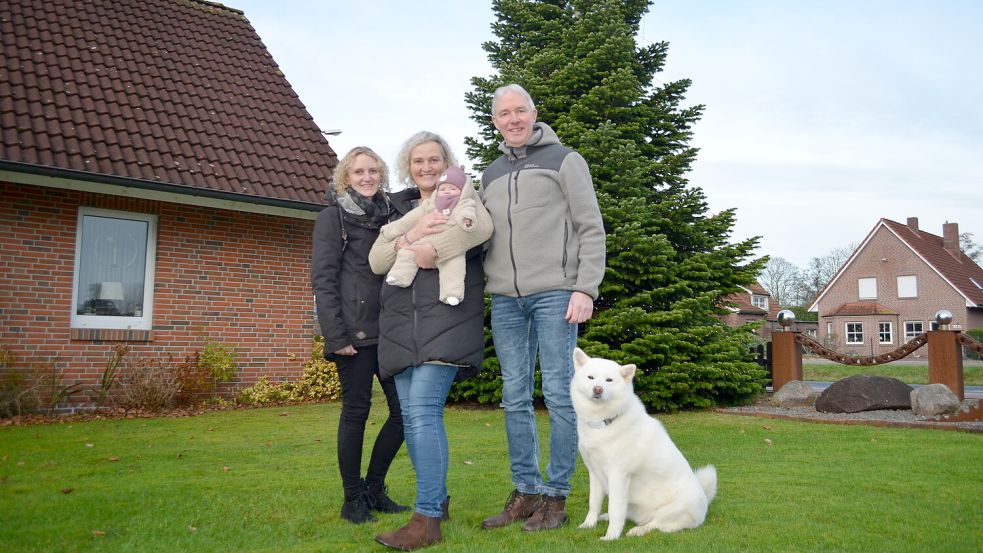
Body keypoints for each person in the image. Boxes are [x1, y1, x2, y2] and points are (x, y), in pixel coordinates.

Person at [479, 84, 606, 532]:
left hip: (556, 292)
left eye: (520, 111)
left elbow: (590, 226)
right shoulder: (490, 174)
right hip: (505, 300)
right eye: (503, 113)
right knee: (514, 397)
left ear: (534, 113)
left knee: (556, 393)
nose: (512, 119)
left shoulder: (565, 160)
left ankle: (556, 496)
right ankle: (526, 491)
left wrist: (585, 288)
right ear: (494, 120)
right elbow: (479, 234)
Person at [369, 132, 492, 550]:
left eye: (434, 159)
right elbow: (376, 260)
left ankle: (426, 519)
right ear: (408, 165)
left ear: (447, 162)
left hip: (447, 322)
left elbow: (479, 230)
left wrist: (431, 248)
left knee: (423, 412)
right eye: (418, 160)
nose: (426, 167)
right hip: (403, 329)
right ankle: (435, 502)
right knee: (413, 414)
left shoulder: (464, 197)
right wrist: (409, 236)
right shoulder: (400, 206)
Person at [311, 146, 408, 524]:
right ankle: (352, 499)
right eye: (358, 172)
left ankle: (374, 488)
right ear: (345, 178)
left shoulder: (392, 215)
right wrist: (336, 337)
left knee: (404, 414)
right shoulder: (332, 218)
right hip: (353, 334)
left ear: (381, 174)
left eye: (372, 171)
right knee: (356, 412)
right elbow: (323, 280)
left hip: (391, 332)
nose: (366, 177)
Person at [378, 165, 484, 305]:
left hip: (450, 246)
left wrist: (467, 220)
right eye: (443, 189)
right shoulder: (432, 204)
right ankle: (400, 276)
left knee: (454, 266)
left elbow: (468, 211)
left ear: (462, 191)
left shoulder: (463, 202)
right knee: (407, 252)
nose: (447, 192)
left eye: (453, 189)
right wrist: (391, 229)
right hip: (425, 239)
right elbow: (411, 218)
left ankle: (452, 293)